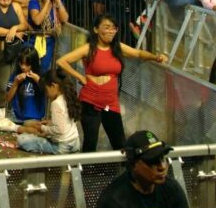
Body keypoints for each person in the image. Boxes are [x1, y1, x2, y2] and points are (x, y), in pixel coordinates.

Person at [56, 14, 166, 152]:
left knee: (120, 143)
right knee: (90, 143)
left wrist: (156, 57)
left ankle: (123, 172)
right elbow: (61, 61)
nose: (111, 31)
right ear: (96, 30)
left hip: (111, 104)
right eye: (106, 27)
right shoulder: (89, 48)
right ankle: (88, 173)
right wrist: (81, 77)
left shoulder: (117, 47)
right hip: (90, 103)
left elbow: (138, 54)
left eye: (114, 28)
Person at [95, 130, 189, 208]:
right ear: (133, 164)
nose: (162, 167)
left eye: (162, 158)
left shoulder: (172, 189)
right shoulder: (114, 201)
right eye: (152, 161)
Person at [14, 69, 82, 154]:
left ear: (53, 86)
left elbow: (59, 130)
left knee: (22, 140)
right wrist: (50, 122)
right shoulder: (67, 97)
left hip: (62, 147)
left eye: (46, 90)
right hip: (75, 143)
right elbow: (65, 122)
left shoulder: (56, 103)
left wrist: (42, 128)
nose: (46, 94)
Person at [27, 0, 68, 72]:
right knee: (33, 67)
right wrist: (47, 2)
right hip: (35, 39)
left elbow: (65, 19)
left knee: (45, 69)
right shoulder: (34, 1)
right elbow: (37, 20)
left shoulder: (57, 2)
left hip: (51, 40)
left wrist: (58, 1)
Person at [3, 47, 46, 124]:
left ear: (33, 63)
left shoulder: (41, 75)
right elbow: (7, 98)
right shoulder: (15, 76)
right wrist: (15, 83)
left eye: (27, 64)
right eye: (21, 63)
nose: (23, 67)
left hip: (35, 119)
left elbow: (50, 94)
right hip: (16, 118)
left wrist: (39, 81)